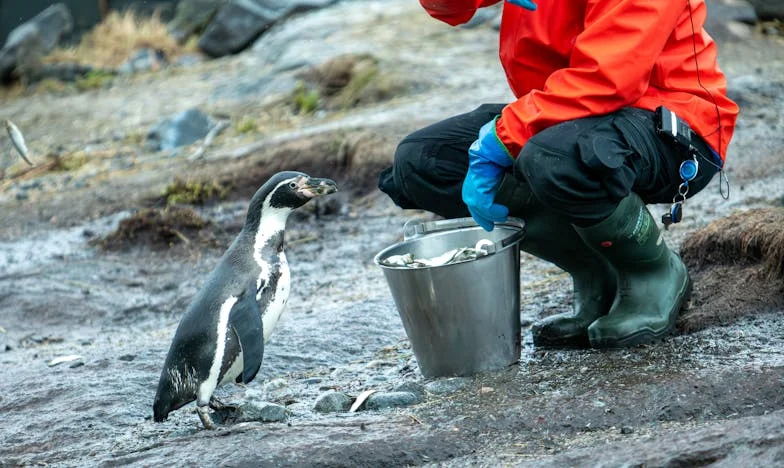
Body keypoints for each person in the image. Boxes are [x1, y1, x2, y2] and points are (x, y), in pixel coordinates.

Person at [378, 0, 739, 348]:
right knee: (423, 162)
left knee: (553, 158)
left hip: (673, 124)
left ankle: (651, 271)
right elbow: (451, 8)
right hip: (565, 114)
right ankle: (595, 269)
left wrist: (504, 137)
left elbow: (609, 78)